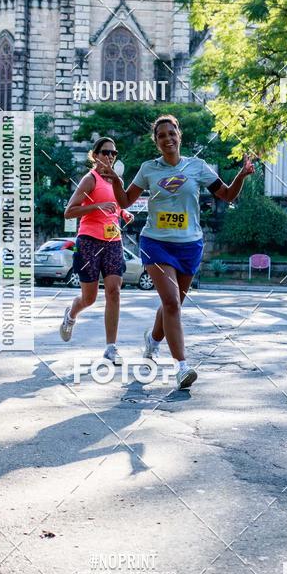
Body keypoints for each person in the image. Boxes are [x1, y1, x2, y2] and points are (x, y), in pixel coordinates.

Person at [100, 114, 254, 390]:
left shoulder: (197, 166)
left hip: (190, 245)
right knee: (171, 302)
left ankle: (153, 340)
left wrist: (241, 175)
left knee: (174, 304)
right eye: (161, 136)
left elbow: (228, 195)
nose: (167, 139)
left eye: (172, 133)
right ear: (156, 142)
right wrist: (115, 181)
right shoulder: (148, 169)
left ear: (179, 136)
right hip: (156, 243)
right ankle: (182, 367)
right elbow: (124, 201)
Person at [59, 137, 133, 364]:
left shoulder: (116, 181)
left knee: (114, 291)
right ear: (95, 155)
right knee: (89, 298)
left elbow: (116, 205)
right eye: (105, 152)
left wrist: (123, 214)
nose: (110, 156)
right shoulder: (89, 180)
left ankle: (111, 347)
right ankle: (71, 313)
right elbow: (69, 211)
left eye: (114, 153)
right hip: (89, 241)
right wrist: (97, 206)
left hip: (113, 241)